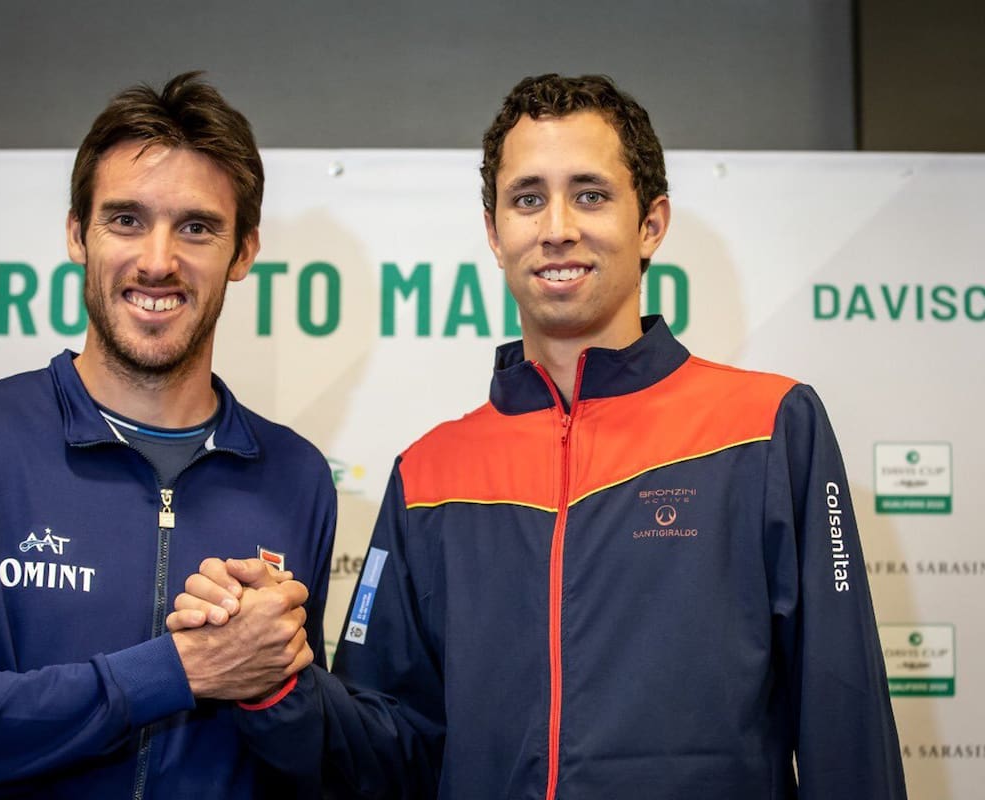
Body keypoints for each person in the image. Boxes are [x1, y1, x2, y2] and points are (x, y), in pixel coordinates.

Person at [171, 74, 907, 798]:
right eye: (528, 199)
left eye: (590, 194)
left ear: (651, 222)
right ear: (495, 233)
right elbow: (387, 755)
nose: (557, 227)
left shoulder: (770, 427)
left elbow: (846, 723)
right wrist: (275, 678)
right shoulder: (429, 474)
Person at [0, 71, 336, 799]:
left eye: (198, 227)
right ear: (78, 234)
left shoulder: (295, 474)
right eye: (126, 220)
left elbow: (309, 768)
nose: (157, 260)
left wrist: (275, 683)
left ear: (243, 254)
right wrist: (178, 672)